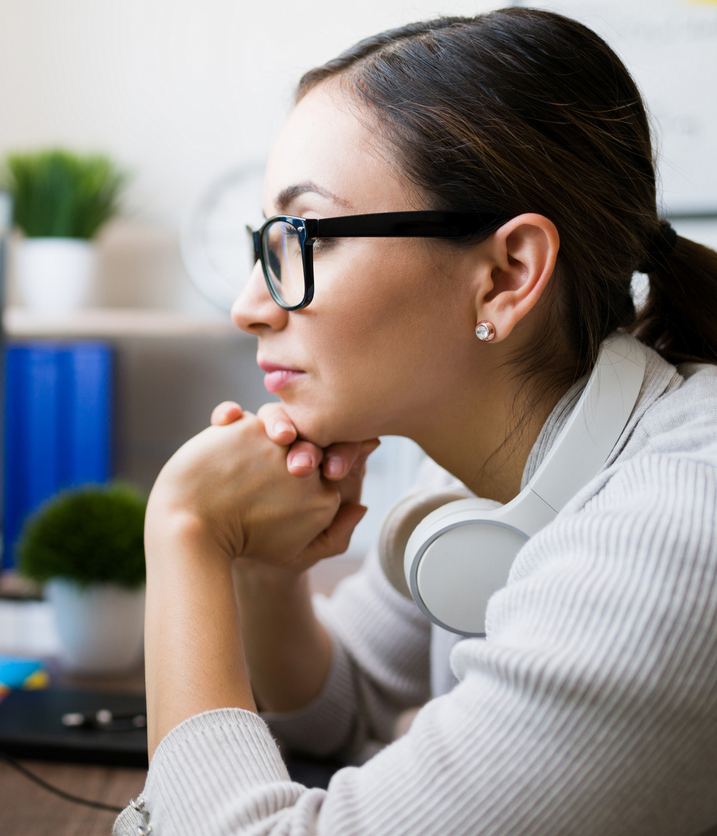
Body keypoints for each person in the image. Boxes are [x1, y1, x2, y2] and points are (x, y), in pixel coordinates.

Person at [115, 8, 717, 836]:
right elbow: (345, 701)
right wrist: (264, 572)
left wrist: (184, 531)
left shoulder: (670, 537)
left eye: (302, 238)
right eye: (263, 244)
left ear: (505, 276)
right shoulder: (491, 453)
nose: (247, 305)